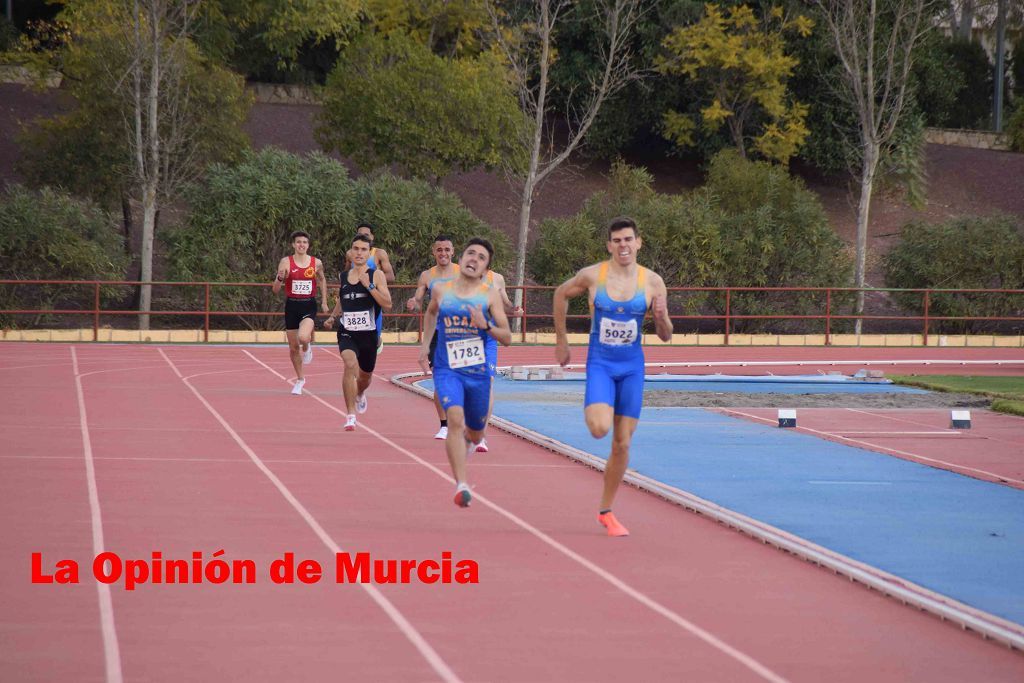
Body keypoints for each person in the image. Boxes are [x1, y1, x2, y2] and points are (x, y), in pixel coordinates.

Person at [553, 217, 673, 537]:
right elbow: (560, 294)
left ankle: (606, 511)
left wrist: (660, 319)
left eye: (628, 240)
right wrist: (562, 340)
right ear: (609, 245)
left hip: (633, 367)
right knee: (599, 428)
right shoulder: (593, 275)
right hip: (601, 364)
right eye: (617, 240)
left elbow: (666, 335)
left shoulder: (653, 282)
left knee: (621, 443)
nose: (623, 245)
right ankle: (598, 409)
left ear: (638, 243)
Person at [418, 238, 511, 508]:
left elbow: (507, 337)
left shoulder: (489, 295)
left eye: (481, 257)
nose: (474, 259)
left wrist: (486, 326)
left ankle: (473, 441)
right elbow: (431, 313)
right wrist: (425, 346)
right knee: (455, 419)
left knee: (476, 432)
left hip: (477, 372)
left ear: (485, 268)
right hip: (449, 368)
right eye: (471, 253)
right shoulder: (441, 290)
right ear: (463, 257)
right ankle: (461, 484)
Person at [325, 233, 392, 431]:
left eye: (363, 249)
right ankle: (350, 415)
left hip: (368, 335)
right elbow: (342, 299)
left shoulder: (376, 275)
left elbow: (387, 303)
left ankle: (360, 393)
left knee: (365, 378)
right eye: (356, 249)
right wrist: (332, 317)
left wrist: (369, 285)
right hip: (347, 331)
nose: (359, 253)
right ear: (351, 252)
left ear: (368, 253)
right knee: (348, 363)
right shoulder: (344, 276)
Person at [406, 235, 460, 439]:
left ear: (453, 252)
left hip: (461, 331)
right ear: (433, 252)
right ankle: (444, 425)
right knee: (440, 379)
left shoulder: (463, 272)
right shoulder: (427, 275)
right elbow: (419, 297)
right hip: (438, 333)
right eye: (439, 250)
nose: (443, 253)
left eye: (447, 249)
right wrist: (414, 301)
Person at [272, 231, 329, 395]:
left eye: (304, 242)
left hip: (308, 305)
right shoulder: (286, 262)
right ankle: (300, 379)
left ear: (308, 245)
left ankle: (308, 345)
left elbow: (322, 279)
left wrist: (324, 301)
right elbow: (275, 290)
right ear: (293, 244)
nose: (301, 245)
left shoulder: (316, 263)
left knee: (303, 337)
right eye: (298, 242)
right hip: (292, 305)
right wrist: (279, 278)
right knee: (293, 347)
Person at [345, 222, 395, 356]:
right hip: (354, 299)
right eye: (359, 234)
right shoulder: (350, 254)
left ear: (372, 237)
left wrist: (371, 277)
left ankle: (377, 342)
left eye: (366, 234)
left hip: (372, 298)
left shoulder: (379, 253)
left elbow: (391, 276)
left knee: (373, 341)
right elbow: (346, 273)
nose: (362, 236)